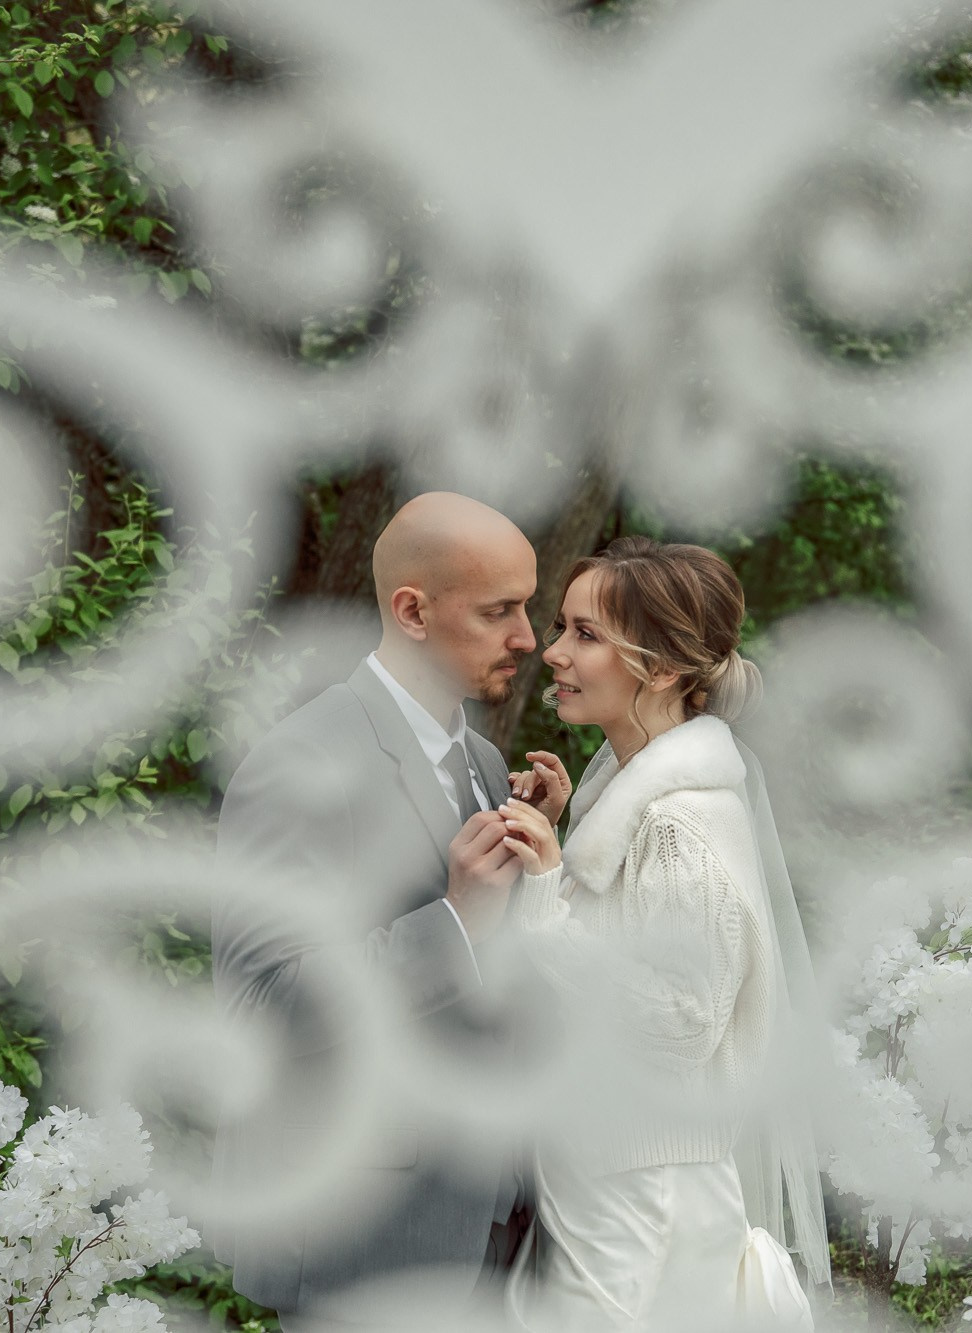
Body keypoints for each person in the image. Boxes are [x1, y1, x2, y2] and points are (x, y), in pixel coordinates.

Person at [209, 492, 570, 1331]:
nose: (528, 638)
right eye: (499, 611)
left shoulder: (481, 758)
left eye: (528, 607)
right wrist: (453, 921)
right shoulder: (297, 762)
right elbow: (262, 1006)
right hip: (362, 1239)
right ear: (413, 610)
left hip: (490, 1219)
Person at [495, 535, 831, 1331]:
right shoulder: (632, 798)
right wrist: (561, 836)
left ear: (668, 668)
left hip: (644, 1202)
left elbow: (679, 1021)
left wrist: (545, 893)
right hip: (608, 1180)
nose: (552, 653)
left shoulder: (681, 826)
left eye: (585, 634)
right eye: (562, 628)